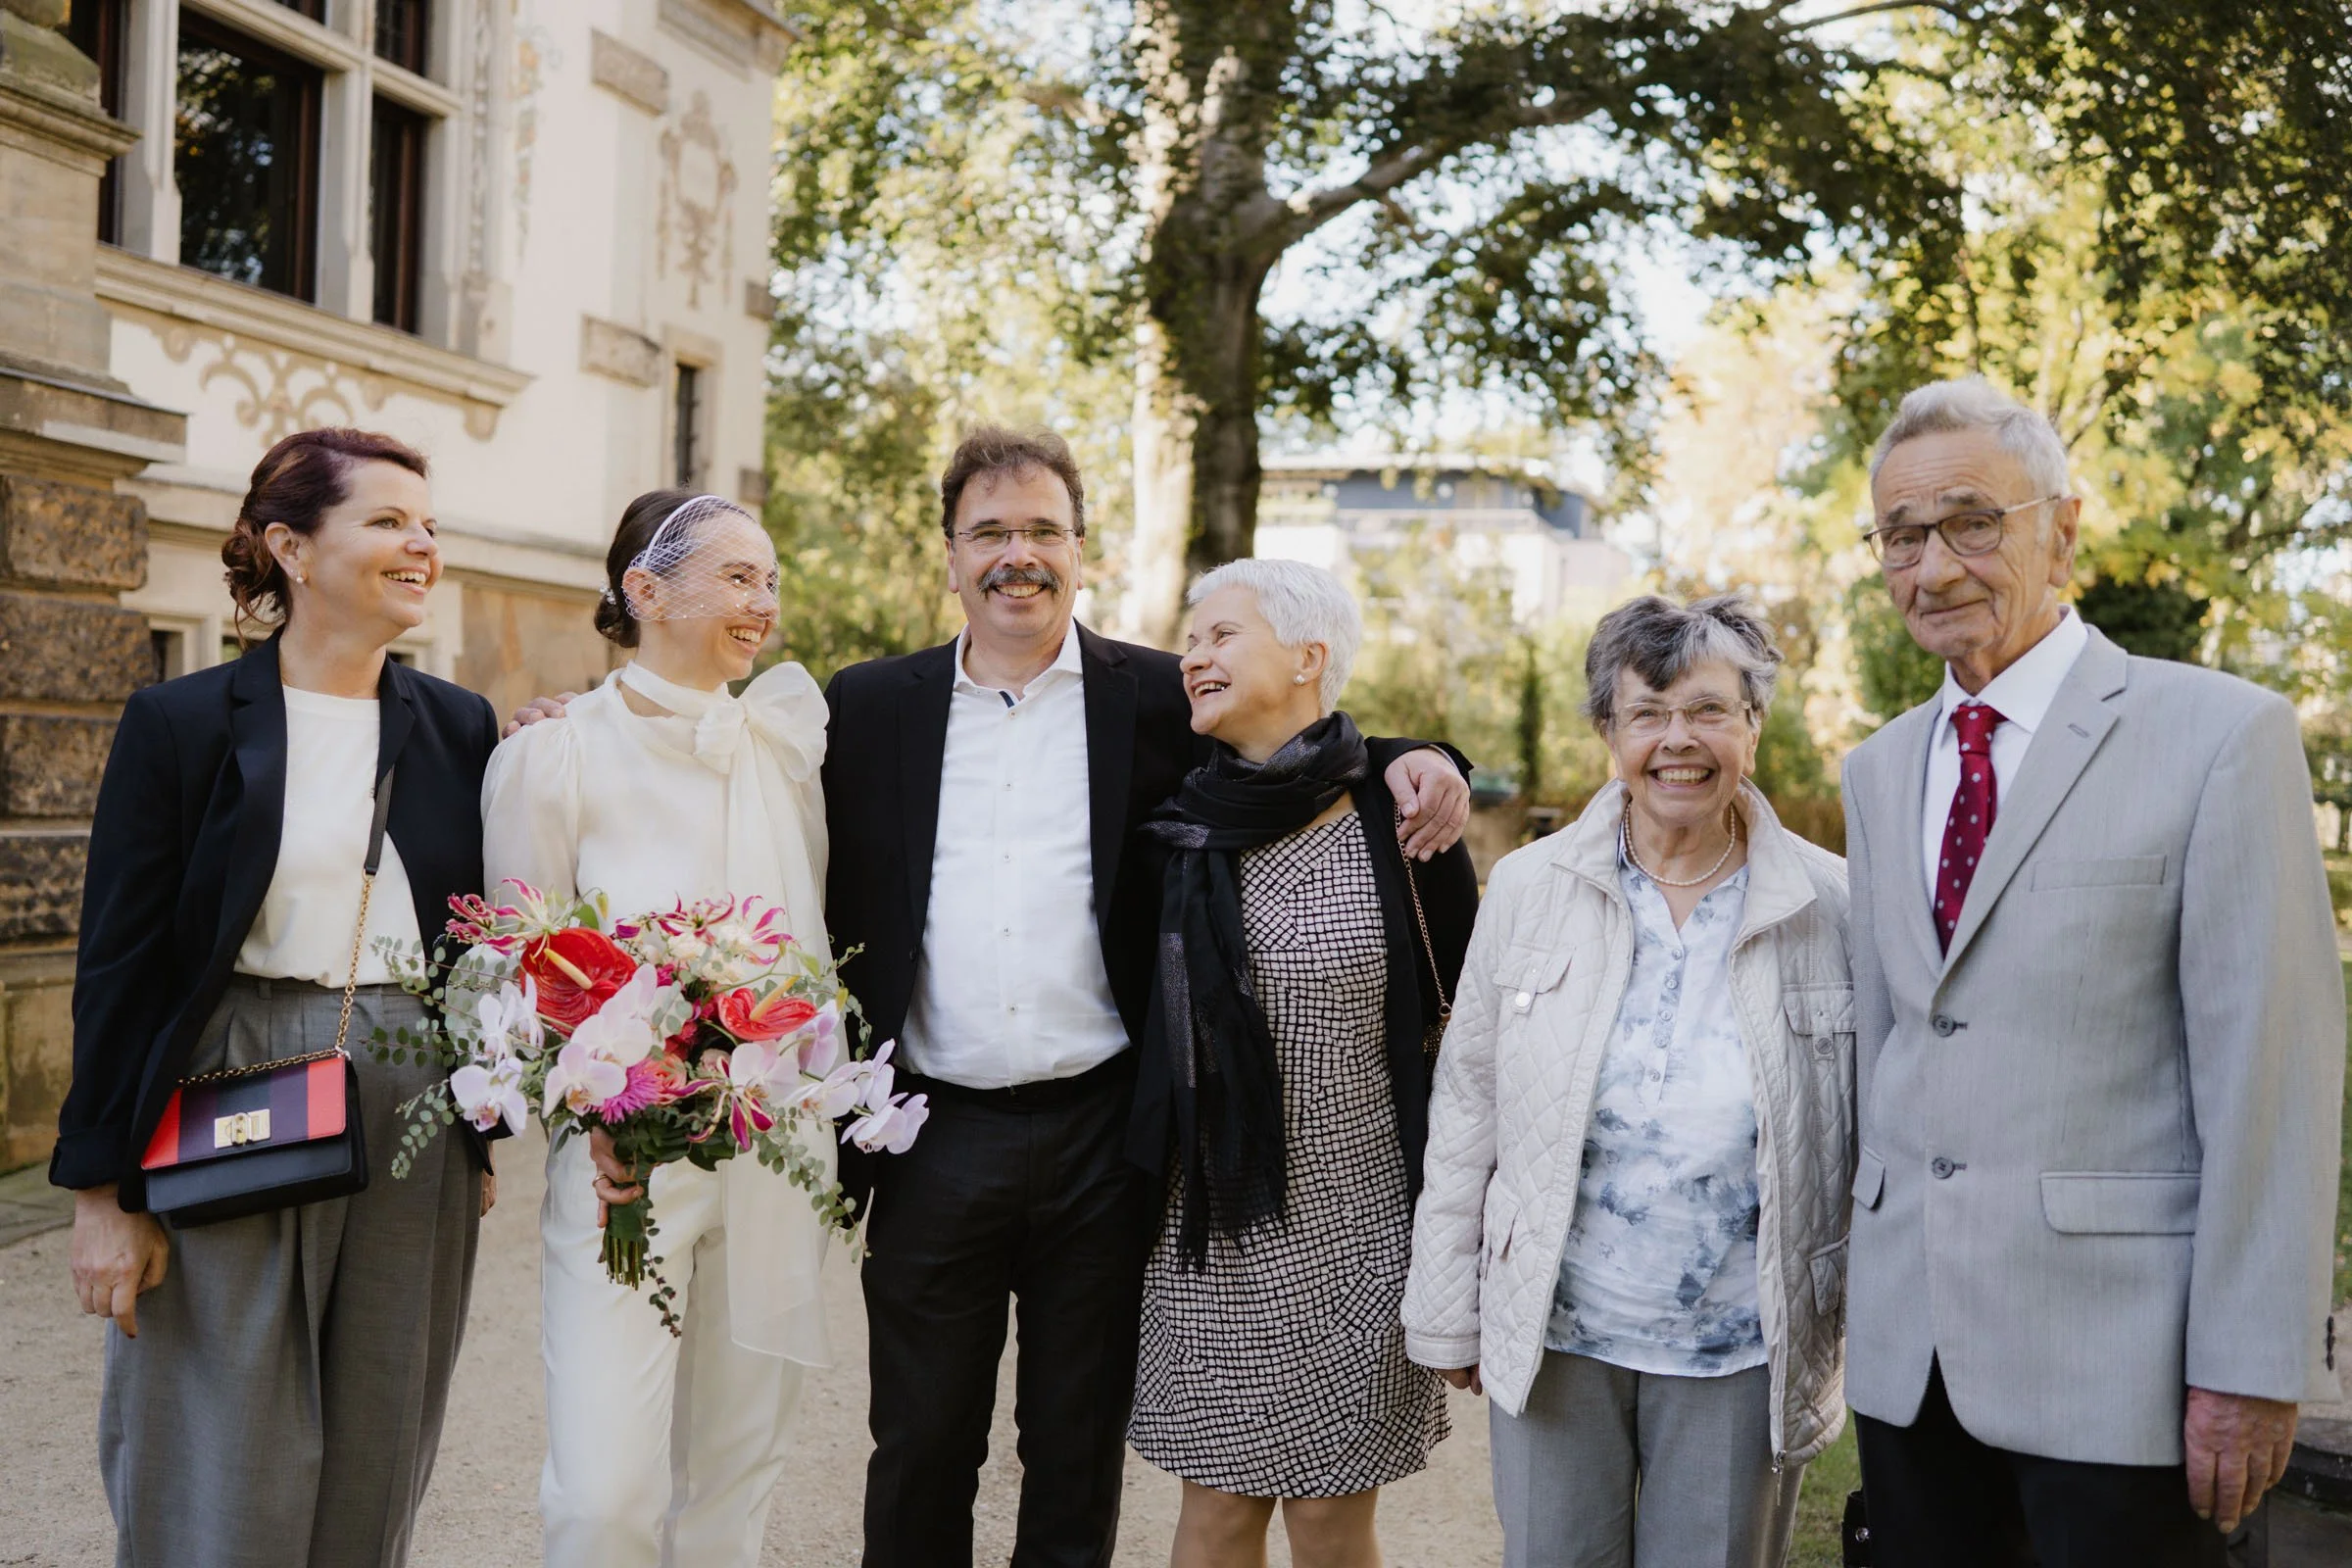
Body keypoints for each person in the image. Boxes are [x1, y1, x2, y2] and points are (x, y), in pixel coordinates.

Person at [819, 426, 1470, 1568]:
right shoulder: (868, 708)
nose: (1016, 555)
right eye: (989, 533)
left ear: (1081, 550)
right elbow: (740, 766)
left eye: (1041, 532)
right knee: (920, 1443)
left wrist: (1429, 756)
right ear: (950, 552)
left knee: (1076, 1450)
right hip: (930, 1128)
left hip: (1104, 1138)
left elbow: (1303, 733)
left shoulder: (1160, 697)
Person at [1839, 378, 2345, 1566]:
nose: (1936, 565)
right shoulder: (1876, 770)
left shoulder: (2224, 736)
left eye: (1974, 521)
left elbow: (2270, 1077)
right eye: (1902, 536)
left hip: (2124, 1372)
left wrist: (2252, 1362)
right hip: (1913, 1364)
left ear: (2062, 529)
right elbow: (1888, 1048)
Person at [56, 427, 499, 1568]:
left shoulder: (459, 725)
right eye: (390, 521)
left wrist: (482, 1134)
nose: (421, 543)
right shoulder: (184, 722)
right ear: (291, 548)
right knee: (213, 1414)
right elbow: (120, 963)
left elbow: (481, 935)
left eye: (429, 525)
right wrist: (102, 1191)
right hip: (231, 1067)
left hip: (419, 1097)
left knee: (382, 1423)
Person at [1402, 593, 1855, 1568]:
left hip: (1741, 1340)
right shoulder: (1530, 887)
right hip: (1560, 1330)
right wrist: (1447, 1306)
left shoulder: (1833, 905)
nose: (1677, 741)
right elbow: (1469, 1102)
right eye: (1647, 713)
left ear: (1754, 724)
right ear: (1609, 731)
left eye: (1708, 711)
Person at [481, 490, 836, 1568]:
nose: (762, 601)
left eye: (770, 580)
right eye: (736, 576)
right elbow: (512, 965)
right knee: (603, 1496)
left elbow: (814, 943)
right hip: (621, 1164)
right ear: (646, 591)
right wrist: (591, 1100)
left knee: (736, 1477)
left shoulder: (782, 746)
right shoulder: (555, 754)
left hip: (775, 1149)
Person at [1123, 559, 1477, 1568]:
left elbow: (1471, 1026)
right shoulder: (1175, 818)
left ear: (1309, 657)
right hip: (1211, 1224)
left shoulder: (1406, 819)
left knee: (1330, 1519)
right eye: (1190, 638)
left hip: (1362, 1220)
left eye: (1221, 634)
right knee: (1217, 1508)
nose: (1193, 656)